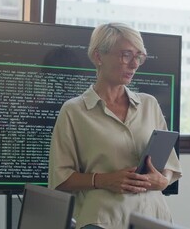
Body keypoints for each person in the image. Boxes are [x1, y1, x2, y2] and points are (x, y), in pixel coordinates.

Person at [48, 22, 182, 229]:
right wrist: (102, 180)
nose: (134, 64)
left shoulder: (149, 104)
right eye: (126, 55)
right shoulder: (74, 110)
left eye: (138, 56)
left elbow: (170, 167)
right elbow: (60, 179)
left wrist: (162, 181)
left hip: (155, 218)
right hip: (103, 221)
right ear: (98, 56)